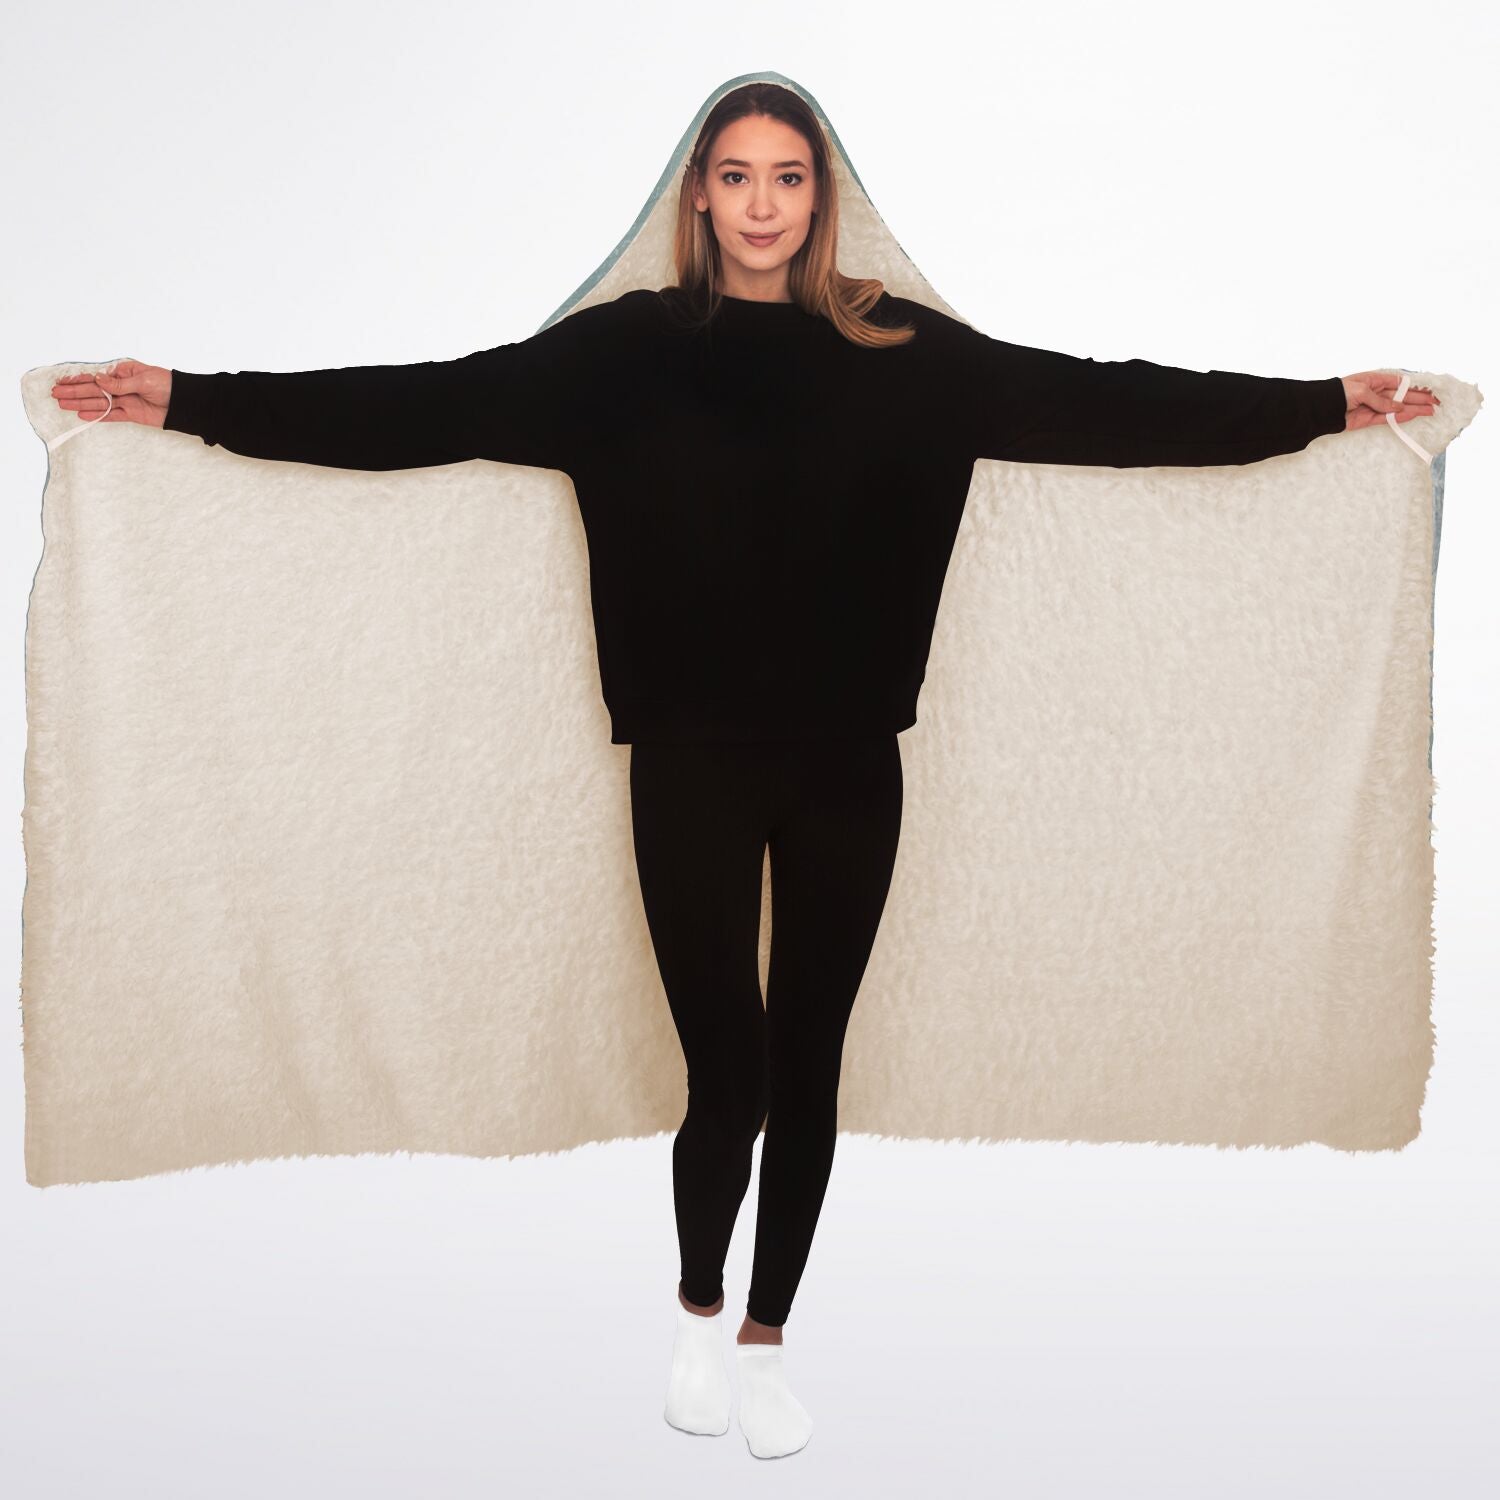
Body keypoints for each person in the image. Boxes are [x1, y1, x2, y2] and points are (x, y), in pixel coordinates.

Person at [50, 81, 1437, 1461]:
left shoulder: (911, 352)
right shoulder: (618, 357)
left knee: (809, 1067)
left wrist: (1322, 403)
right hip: (690, 772)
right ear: (698, 193)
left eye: (788, 177)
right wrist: (188, 401)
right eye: (736, 175)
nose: (762, 205)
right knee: (729, 1076)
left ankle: (769, 1340)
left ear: (822, 196)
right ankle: (699, 1313)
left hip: (850, 772)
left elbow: (1117, 405)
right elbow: (419, 406)